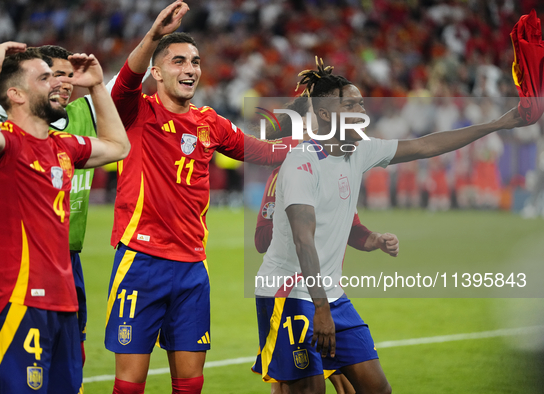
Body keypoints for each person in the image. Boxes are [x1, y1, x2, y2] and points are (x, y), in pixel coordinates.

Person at [253, 59, 527, 394]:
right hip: (289, 293)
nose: (362, 111)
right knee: (310, 391)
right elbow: (303, 239)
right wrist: (320, 310)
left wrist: (500, 123)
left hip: (329, 293)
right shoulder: (301, 163)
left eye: (362, 104)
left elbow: (427, 145)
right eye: (350, 105)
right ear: (325, 115)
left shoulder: (361, 151)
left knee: (377, 388)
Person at [105, 2, 294, 393]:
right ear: (156, 72)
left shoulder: (210, 122)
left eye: (194, 61)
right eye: (178, 61)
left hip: (192, 267)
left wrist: (314, 144)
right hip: (142, 261)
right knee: (130, 385)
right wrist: (154, 36)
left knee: (190, 384)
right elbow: (124, 81)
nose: (190, 69)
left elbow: (261, 151)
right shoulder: (135, 112)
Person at [0, 41, 129, 393]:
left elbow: (119, 146)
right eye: (44, 78)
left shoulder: (63, 145)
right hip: (16, 299)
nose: (58, 83)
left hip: (64, 301)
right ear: (16, 95)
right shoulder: (4, 143)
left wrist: (97, 87)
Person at [254, 96, 399, 394]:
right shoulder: (287, 170)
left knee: (350, 386)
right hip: (292, 289)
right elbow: (261, 239)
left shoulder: (336, 163)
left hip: (328, 291)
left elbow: (352, 227)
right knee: (303, 386)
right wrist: (295, 222)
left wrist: (372, 239)